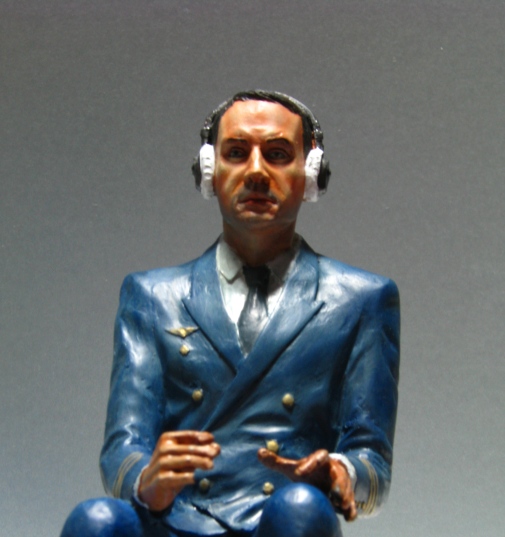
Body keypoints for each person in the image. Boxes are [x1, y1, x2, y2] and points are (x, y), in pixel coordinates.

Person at [61, 90, 400, 537]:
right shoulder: (152, 297)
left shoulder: (360, 300)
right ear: (210, 172)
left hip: (282, 519)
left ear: (310, 173)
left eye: (277, 154)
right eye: (237, 153)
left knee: (300, 509)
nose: (256, 172)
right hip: (178, 518)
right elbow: (123, 446)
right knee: (97, 520)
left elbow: (372, 461)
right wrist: (148, 480)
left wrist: (339, 474)